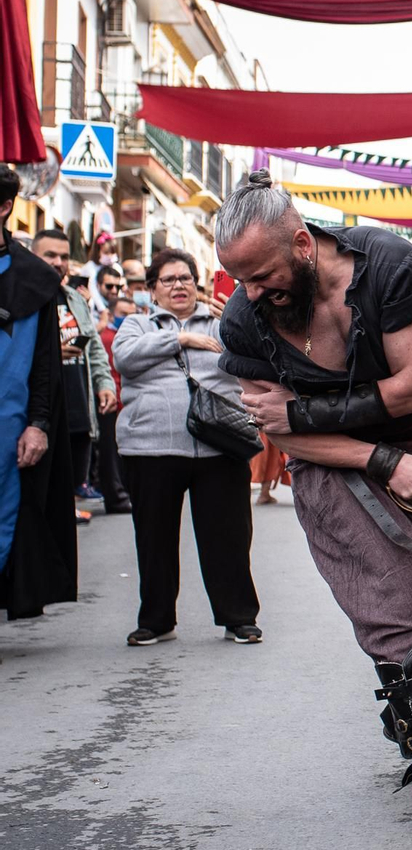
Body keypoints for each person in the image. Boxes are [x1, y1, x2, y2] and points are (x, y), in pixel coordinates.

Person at [216, 171, 412, 842]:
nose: (251, 294)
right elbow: (280, 434)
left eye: (263, 276)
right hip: (333, 465)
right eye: (240, 280)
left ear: (302, 245)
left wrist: (303, 411)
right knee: (404, 608)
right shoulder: (245, 319)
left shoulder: (387, 263)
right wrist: (381, 460)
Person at [113, 247, 263, 646]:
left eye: (185, 278)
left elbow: (256, 358)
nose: (178, 286)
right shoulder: (137, 324)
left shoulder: (221, 322)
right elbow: (124, 359)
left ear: (197, 285)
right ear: (152, 289)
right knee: (154, 539)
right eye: (168, 279)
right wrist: (180, 338)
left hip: (221, 446)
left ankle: (239, 617)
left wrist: (235, 323)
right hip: (150, 448)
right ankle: (156, 620)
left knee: (229, 537)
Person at [0, 167, 76, 622]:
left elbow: (46, 365)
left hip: (8, 427)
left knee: (5, 521)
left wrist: (39, 423)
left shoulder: (35, 279)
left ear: (4, 207)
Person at [34, 230, 116, 508]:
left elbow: (94, 348)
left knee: (69, 491)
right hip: (40, 414)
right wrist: (54, 353)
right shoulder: (22, 296)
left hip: (79, 409)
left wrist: (104, 384)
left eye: (64, 257)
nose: (58, 262)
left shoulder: (75, 299)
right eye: (50, 255)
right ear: (33, 256)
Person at [95, 293, 134, 514]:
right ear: (111, 315)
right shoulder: (107, 338)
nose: (126, 319)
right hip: (111, 402)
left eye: (131, 315)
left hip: (123, 403)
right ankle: (116, 496)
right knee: (110, 453)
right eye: (122, 314)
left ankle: (122, 493)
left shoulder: (124, 337)